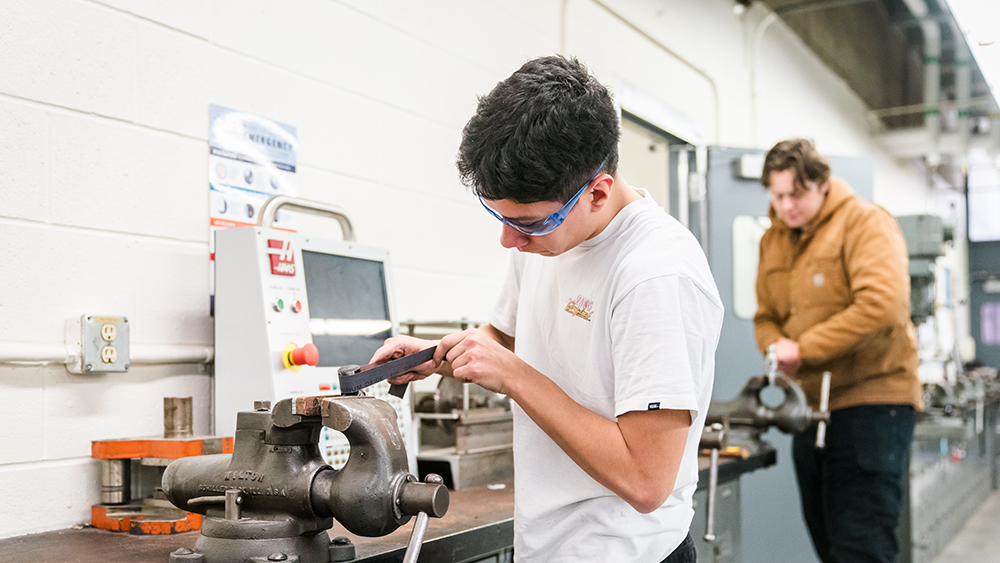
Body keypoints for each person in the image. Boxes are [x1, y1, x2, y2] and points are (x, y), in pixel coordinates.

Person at [370, 55, 723, 562]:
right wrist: (438, 354)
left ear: (597, 192)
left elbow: (647, 480)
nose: (508, 239)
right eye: (499, 215)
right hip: (547, 545)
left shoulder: (657, 275)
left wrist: (514, 376)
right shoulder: (547, 237)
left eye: (527, 222)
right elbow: (507, 335)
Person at [753, 139, 922, 563]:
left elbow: (883, 306)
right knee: (829, 545)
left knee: (860, 547)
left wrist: (803, 349)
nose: (787, 205)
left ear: (823, 185)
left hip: (870, 407)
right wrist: (775, 346)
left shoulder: (863, 222)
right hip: (810, 411)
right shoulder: (772, 240)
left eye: (798, 194)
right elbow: (765, 316)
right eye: (778, 196)